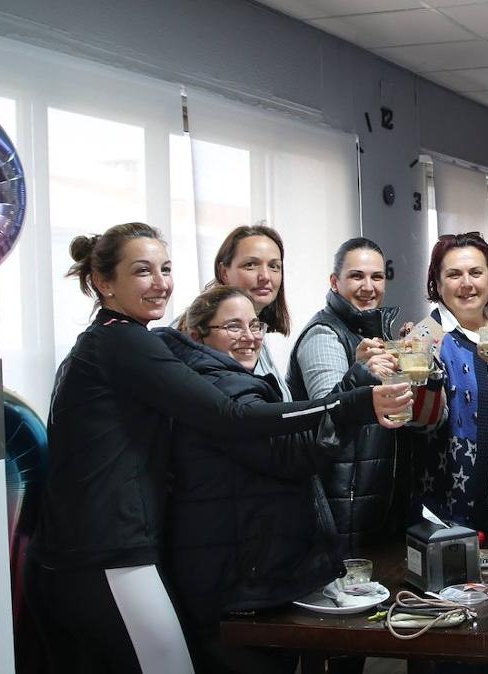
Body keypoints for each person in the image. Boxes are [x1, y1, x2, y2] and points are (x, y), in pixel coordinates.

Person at [25, 223, 409, 674]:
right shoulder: (121, 341)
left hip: (107, 547)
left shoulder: (120, 341)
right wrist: (351, 403)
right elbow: (233, 416)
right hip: (106, 549)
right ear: (105, 283)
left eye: (165, 269)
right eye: (142, 271)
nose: (161, 283)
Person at [157, 286, 339, 674]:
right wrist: (355, 397)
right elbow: (295, 454)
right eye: (233, 326)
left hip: (230, 571)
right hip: (234, 578)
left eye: (254, 325)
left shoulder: (211, 380)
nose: (250, 336)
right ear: (197, 334)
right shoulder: (224, 388)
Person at [411, 232, 488, 540]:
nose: (466, 283)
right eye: (453, 275)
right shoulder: (425, 338)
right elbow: (419, 422)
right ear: (438, 286)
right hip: (457, 506)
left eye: (476, 273)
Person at [287, 237, 407, 557]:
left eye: (377, 277)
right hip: (340, 508)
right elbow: (326, 415)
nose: (368, 286)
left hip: (374, 504)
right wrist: (364, 371)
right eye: (357, 276)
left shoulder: (375, 333)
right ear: (334, 282)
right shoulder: (324, 333)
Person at [210, 224, 293, 397]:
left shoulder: (257, 333)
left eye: (274, 266)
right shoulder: (199, 330)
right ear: (224, 272)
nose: (265, 276)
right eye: (251, 265)